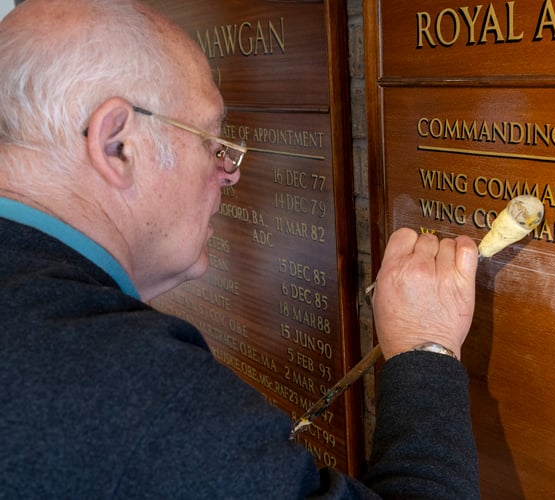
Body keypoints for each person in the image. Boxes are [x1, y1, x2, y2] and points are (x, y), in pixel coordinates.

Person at [0, 1, 480, 498]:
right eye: (211, 141)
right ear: (118, 146)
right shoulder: (143, 396)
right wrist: (426, 346)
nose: (229, 172)